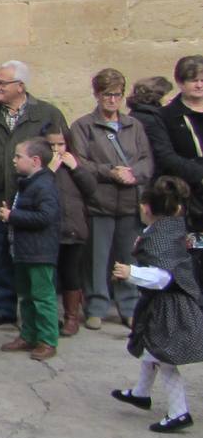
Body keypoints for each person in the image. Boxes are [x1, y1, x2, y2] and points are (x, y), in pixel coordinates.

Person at [0, 60, 68, 328]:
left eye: (3, 83)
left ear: (20, 86)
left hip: (33, 198)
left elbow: (61, 150)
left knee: (35, 259)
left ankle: (41, 313)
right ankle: (4, 308)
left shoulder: (48, 114)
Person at [110, 176, 203, 433]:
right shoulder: (171, 229)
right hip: (164, 305)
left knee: (164, 359)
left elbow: (162, 277)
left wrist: (130, 273)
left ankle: (179, 412)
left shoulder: (162, 239)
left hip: (172, 308)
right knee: (151, 350)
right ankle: (141, 393)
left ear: (147, 208)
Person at [69, 68, 152, 332]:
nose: (112, 100)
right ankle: (95, 307)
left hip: (129, 201)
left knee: (129, 257)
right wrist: (110, 172)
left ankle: (129, 307)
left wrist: (133, 174)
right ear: (97, 95)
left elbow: (146, 160)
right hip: (99, 201)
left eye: (116, 95)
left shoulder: (134, 125)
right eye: (106, 95)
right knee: (97, 258)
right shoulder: (83, 126)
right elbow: (80, 161)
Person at [0, 139, 62, 361]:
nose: (14, 161)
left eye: (18, 157)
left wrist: (12, 216)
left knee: (42, 297)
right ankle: (28, 335)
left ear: (35, 161)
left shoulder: (44, 185)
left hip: (39, 252)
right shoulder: (27, 183)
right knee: (25, 296)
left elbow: (46, 217)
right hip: (23, 250)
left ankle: (47, 340)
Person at [42, 125, 91, 338]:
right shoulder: (41, 167)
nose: (56, 150)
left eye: (60, 144)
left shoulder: (74, 164)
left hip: (73, 229)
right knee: (49, 277)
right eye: (51, 145)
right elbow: (30, 188)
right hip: (48, 230)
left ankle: (72, 318)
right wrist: (48, 170)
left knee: (71, 274)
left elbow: (91, 188)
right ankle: (49, 317)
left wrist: (77, 168)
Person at [157, 55, 203, 231]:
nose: (199, 85)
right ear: (181, 82)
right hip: (186, 194)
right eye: (193, 80)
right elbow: (166, 156)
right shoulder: (167, 116)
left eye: (202, 80)